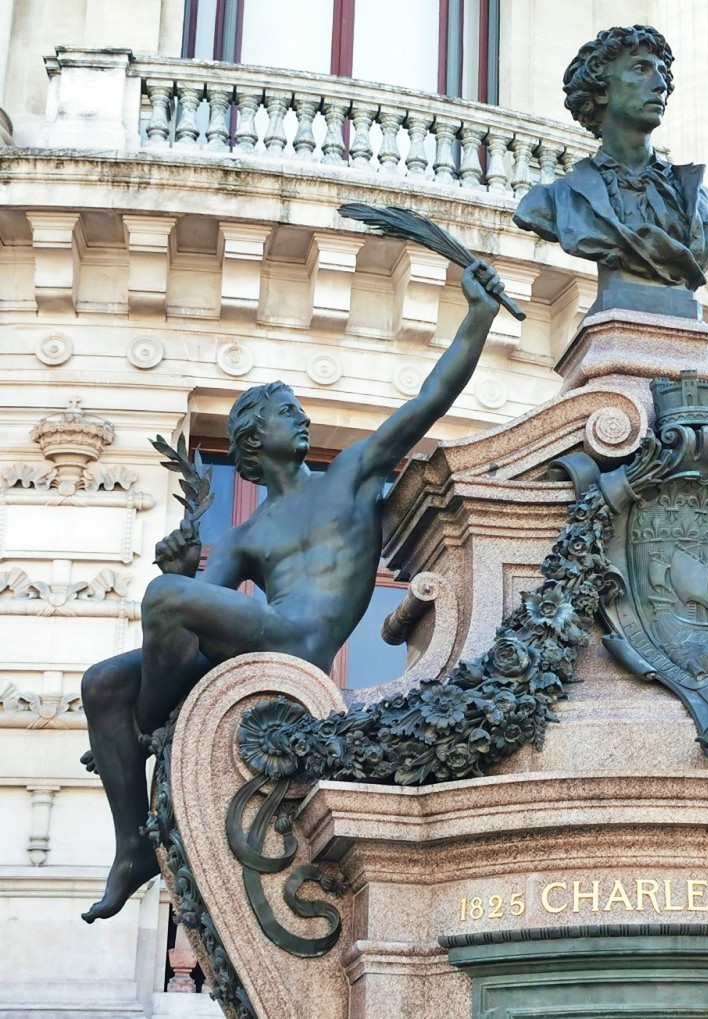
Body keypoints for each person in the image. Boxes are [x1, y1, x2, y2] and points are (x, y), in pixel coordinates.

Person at [80, 261, 506, 922]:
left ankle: (145, 726)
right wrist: (187, 566)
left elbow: (430, 398)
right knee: (101, 679)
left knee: (164, 601)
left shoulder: (354, 470)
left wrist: (478, 316)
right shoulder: (250, 530)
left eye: (299, 411)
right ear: (254, 439)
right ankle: (132, 845)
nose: (300, 420)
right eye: (286, 414)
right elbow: (186, 631)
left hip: (304, 644)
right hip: (262, 641)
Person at [513, 25, 708, 315]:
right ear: (601, 91)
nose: (661, 83)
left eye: (662, 72)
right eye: (641, 69)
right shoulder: (555, 202)